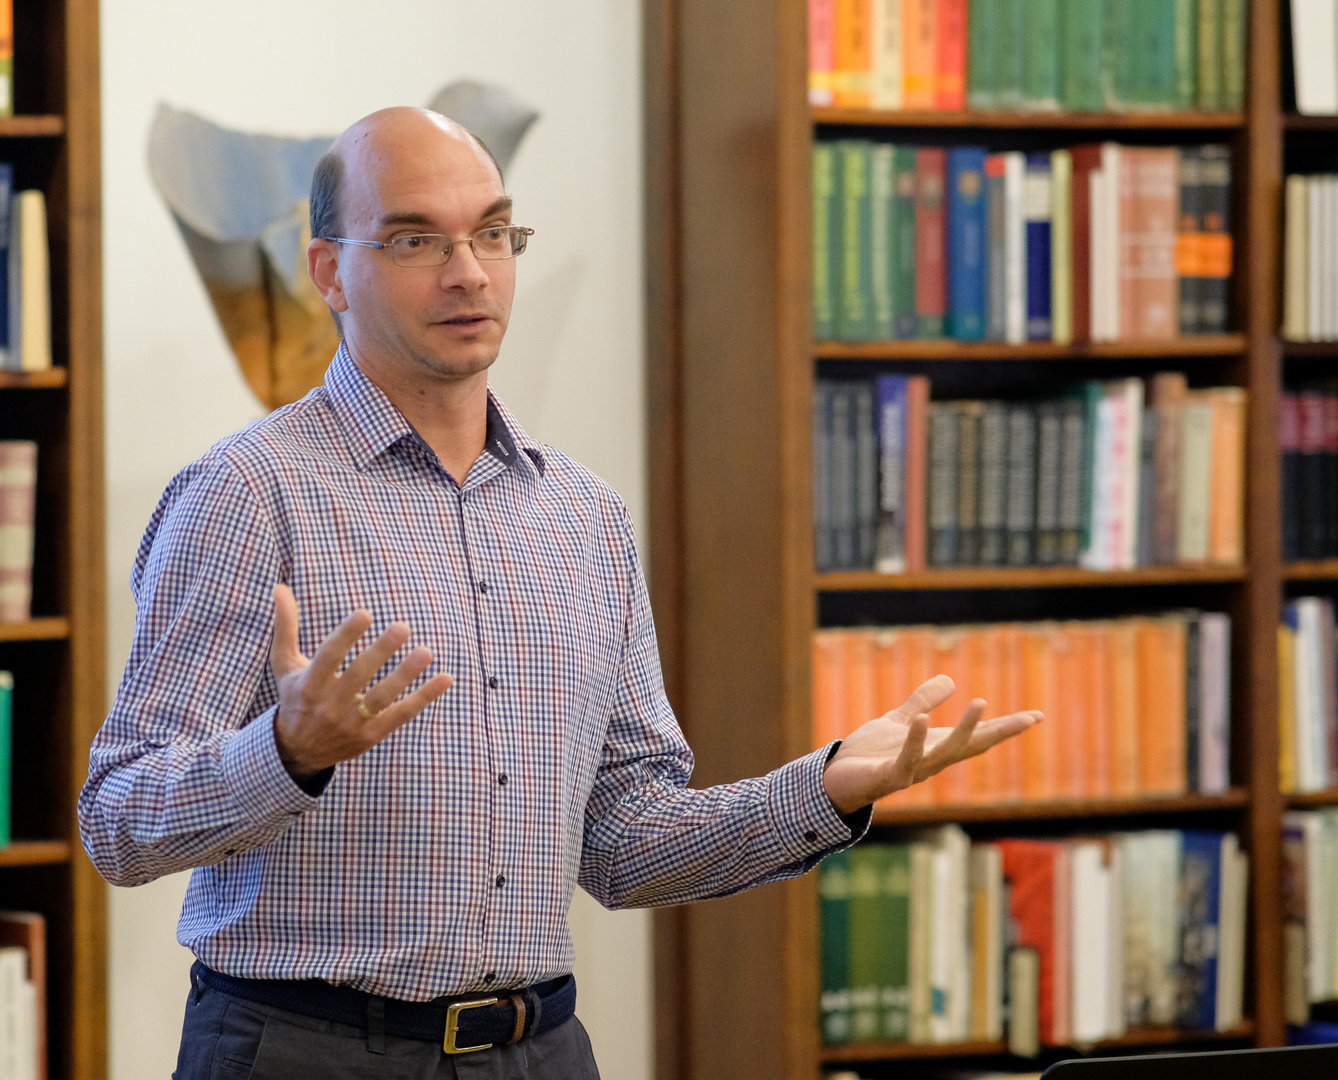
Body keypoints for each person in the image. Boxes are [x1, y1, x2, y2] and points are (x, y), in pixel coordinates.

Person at [78, 106, 1041, 1079]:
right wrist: (284, 754)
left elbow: (624, 844)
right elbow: (117, 824)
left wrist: (823, 789)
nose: (469, 272)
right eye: (416, 240)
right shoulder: (246, 494)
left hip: (541, 1052)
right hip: (307, 1052)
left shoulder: (585, 518)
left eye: (493, 233)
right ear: (329, 271)